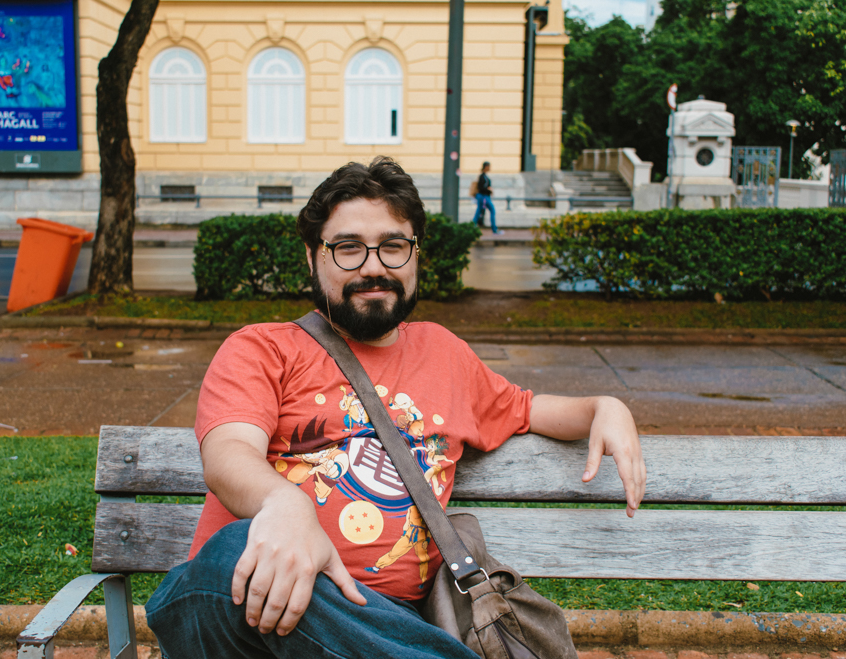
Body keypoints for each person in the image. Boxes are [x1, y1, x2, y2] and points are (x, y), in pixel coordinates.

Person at [145, 156, 646, 659]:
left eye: (392, 246)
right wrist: (284, 504)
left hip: (382, 626)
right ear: (312, 258)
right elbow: (229, 451)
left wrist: (605, 407)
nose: (372, 267)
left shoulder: (445, 355)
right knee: (235, 551)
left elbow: (528, 409)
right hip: (232, 611)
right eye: (347, 248)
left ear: (414, 255)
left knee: (363, 628)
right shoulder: (263, 349)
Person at [472, 161, 502, 234]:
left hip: (482, 196)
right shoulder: (483, 177)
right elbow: (481, 188)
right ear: (486, 167)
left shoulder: (483, 176)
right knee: (492, 210)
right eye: (488, 166)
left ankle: (472, 226)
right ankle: (494, 229)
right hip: (483, 196)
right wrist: (489, 190)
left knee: (478, 211)